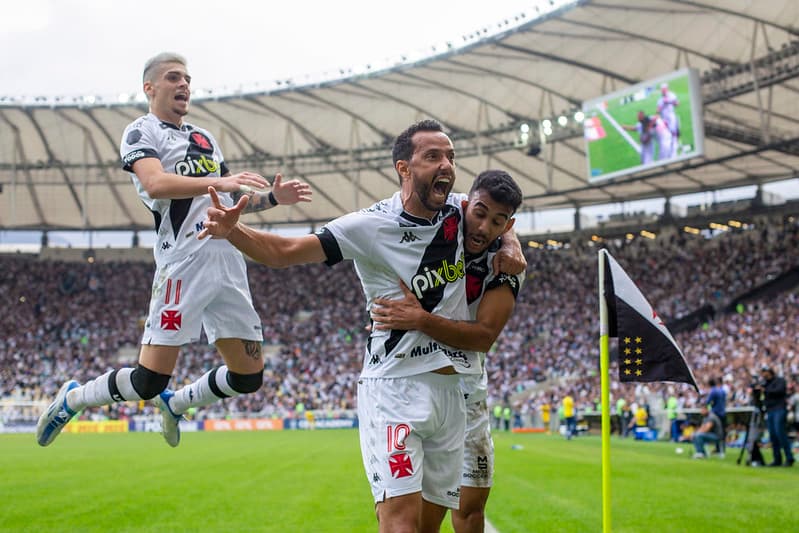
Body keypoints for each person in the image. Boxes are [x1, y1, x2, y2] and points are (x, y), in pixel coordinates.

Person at [199, 119, 526, 533]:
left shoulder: (463, 212)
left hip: (452, 395)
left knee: (427, 526)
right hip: (395, 388)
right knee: (400, 524)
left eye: (450, 156)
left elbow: (499, 222)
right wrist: (235, 232)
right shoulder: (369, 226)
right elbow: (285, 252)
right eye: (432, 156)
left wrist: (512, 244)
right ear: (403, 168)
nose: (446, 164)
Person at [35, 52, 312, 448]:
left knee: (249, 377)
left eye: (187, 78)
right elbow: (156, 185)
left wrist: (271, 198)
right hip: (184, 262)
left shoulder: (204, 138)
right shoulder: (140, 132)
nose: (184, 85)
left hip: (228, 260)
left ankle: (178, 404)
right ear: (150, 87)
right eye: (173, 77)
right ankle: (74, 397)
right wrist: (222, 180)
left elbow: (227, 198)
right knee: (148, 380)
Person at [368, 169, 524, 533]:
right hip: (414, 387)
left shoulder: (507, 264)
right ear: (466, 205)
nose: (485, 227)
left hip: (469, 393)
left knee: (470, 510)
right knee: (408, 513)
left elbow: (484, 336)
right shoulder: (440, 221)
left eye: (499, 222)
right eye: (480, 214)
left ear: (508, 224)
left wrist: (512, 242)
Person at [759, 366, 795, 467]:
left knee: (780, 433)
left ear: (769, 372)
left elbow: (779, 391)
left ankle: (789, 458)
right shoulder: (765, 383)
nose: (763, 375)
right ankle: (777, 459)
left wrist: (765, 390)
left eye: (764, 372)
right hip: (770, 410)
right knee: (773, 435)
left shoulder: (779, 381)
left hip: (779, 409)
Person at [656, 83, 680, 158]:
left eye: (664, 89)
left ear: (667, 89)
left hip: (671, 117)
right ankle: (669, 150)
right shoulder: (660, 100)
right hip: (664, 119)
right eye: (662, 90)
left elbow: (677, 104)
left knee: (673, 133)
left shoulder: (672, 95)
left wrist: (669, 101)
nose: (663, 91)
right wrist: (660, 108)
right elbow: (658, 110)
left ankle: (674, 150)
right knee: (667, 135)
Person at [706, 377, 727, 453]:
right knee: (722, 432)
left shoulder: (713, 391)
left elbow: (707, 402)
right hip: (723, 413)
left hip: (716, 414)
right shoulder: (723, 391)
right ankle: (721, 449)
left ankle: (718, 449)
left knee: (714, 432)